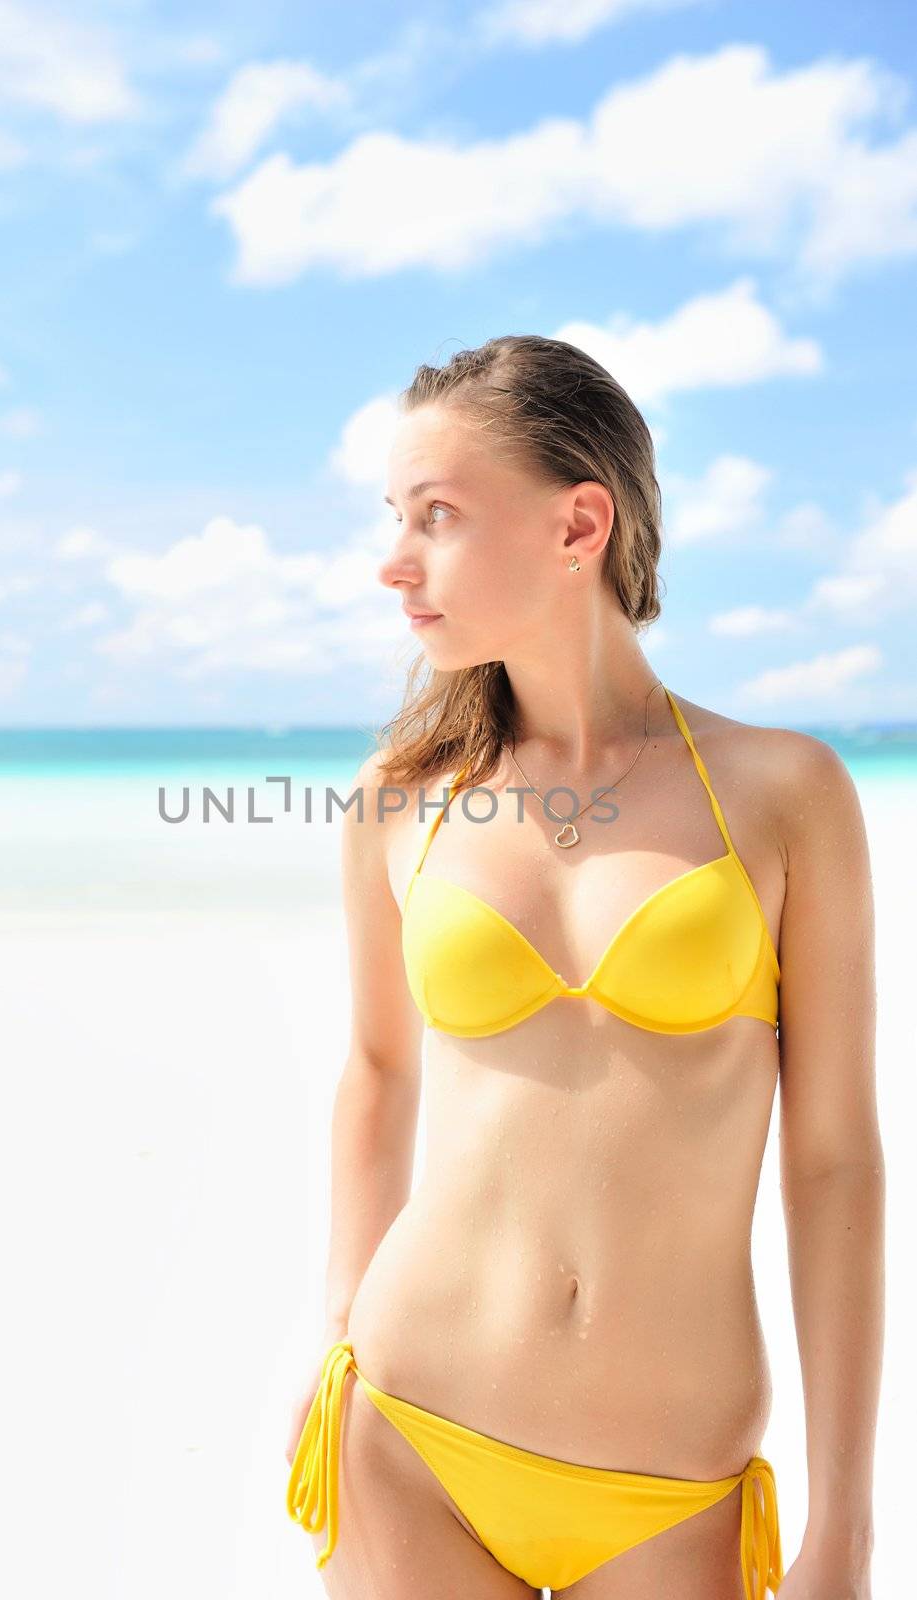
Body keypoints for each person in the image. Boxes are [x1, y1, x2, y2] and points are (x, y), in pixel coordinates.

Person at [284, 335, 884, 1599]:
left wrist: (846, 1518)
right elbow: (378, 1074)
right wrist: (335, 1331)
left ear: (580, 524)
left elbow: (834, 1158)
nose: (394, 562)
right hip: (410, 1440)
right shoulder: (402, 803)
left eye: (436, 517)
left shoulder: (783, 792)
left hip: (673, 1491)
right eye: (396, 519)